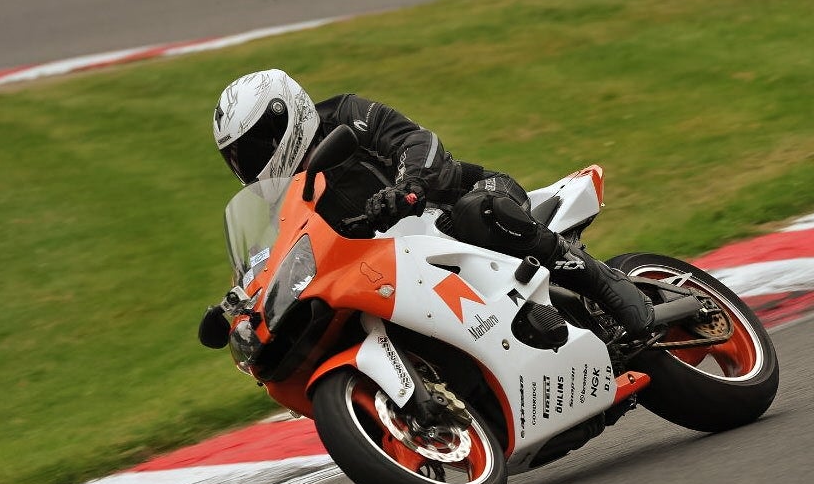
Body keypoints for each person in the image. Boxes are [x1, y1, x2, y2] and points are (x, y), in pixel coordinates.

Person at [211, 69, 653, 336]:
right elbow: (267, 260)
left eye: (252, 150)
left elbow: (415, 140)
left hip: (460, 202)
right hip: (395, 265)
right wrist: (241, 304)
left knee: (478, 213)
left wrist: (408, 189)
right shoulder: (278, 203)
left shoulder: (346, 115)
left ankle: (600, 282)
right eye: (237, 159)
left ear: (282, 118)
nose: (248, 165)